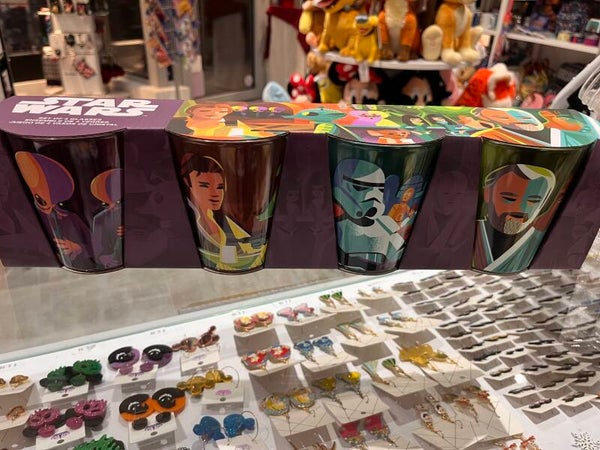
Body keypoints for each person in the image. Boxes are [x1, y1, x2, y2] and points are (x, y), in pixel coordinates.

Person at [180, 154, 265, 271]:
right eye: (204, 186)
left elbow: (241, 251)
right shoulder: (185, 217)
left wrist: (254, 244)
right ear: (187, 183)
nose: (215, 194)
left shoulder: (221, 219)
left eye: (220, 187)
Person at [14, 152, 95, 271]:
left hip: (78, 268)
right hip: (40, 271)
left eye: (57, 201)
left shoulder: (71, 218)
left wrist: (79, 248)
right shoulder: (26, 217)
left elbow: (96, 246)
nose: (51, 206)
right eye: (42, 200)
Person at [473, 163, 555, 273]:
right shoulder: (469, 230)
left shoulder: (537, 238)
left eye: (533, 201)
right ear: (488, 194)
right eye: (509, 198)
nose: (521, 208)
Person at [332, 159, 404, 272]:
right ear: (341, 188)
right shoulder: (340, 226)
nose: (374, 196)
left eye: (380, 189)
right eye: (361, 187)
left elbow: (396, 251)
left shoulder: (386, 223)